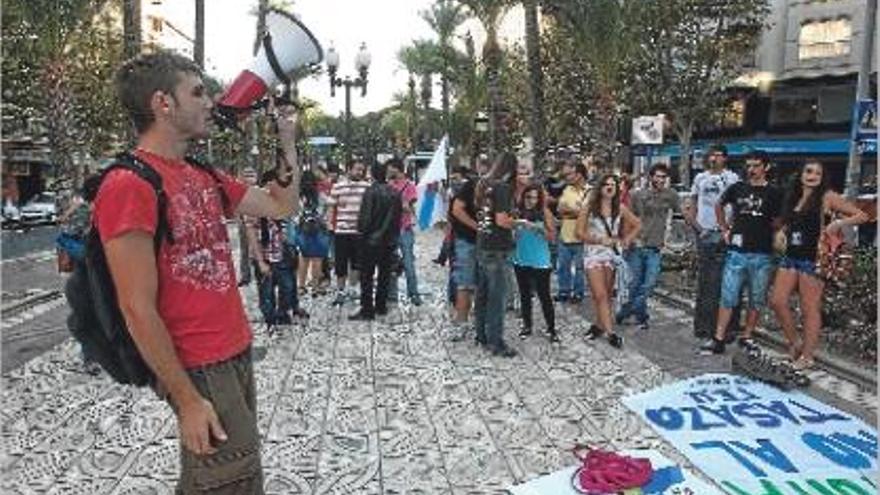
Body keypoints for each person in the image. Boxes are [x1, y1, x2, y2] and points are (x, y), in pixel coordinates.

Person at [95, 50, 301, 493]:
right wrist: (187, 399)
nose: (211, 102)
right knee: (230, 480)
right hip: (198, 364)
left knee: (226, 475)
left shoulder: (201, 173)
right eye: (198, 92)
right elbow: (135, 307)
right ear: (162, 104)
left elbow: (282, 206)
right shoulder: (128, 185)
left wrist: (286, 141)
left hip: (234, 350)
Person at [769, 160, 867, 369]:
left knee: (809, 309)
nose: (812, 175)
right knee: (777, 301)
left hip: (813, 259)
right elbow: (793, 222)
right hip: (791, 256)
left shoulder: (827, 196)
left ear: (823, 177)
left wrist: (839, 223)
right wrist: (781, 231)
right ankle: (795, 342)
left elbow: (863, 215)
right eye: (808, 171)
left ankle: (807, 356)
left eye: (817, 173)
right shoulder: (795, 196)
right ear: (801, 173)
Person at [700, 152, 781, 355]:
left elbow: (780, 219)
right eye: (749, 166)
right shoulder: (737, 188)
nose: (751, 170)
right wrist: (724, 228)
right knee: (728, 296)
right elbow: (719, 204)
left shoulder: (774, 192)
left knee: (756, 298)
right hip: (736, 252)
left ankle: (747, 335)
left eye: (756, 165)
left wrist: (775, 233)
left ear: (766, 167)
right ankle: (718, 338)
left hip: (762, 253)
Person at [578, 174, 641, 349]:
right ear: (600, 188)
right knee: (600, 295)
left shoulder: (619, 208)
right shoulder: (589, 207)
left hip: (611, 254)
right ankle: (611, 333)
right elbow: (579, 233)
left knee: (606, 294)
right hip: (593, 253)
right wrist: (599, 240)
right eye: (605, 184)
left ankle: (598, 326)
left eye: (613, 185)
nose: (609, 187)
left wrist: (626, 239)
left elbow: (637, 224)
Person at [616, 164, 681, 331]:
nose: (660, 180)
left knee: (649, 283)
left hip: (655, 247)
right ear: (651, 177)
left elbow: (681, 212)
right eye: (657, 176)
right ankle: (637, 315)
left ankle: (632, 311)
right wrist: (626, 240)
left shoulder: (670, 195)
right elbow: (627, 218)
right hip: (637, 245)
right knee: (634, 283)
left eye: (663, 177)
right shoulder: (637, 195)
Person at [687, 143, 741, 339]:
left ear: (725, 158)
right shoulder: (700, 178)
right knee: (706, 282)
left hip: (725, 233)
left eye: (719, 155)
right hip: (706, 233)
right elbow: (693, 204)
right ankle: (704, 326)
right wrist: (697, 227)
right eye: (712, 155)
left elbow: (737, 206)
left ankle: (727, 327)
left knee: (726, 282)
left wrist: (730, 229)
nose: (714, 158)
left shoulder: (733, 178)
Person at [248, 166, 307, 328]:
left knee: (287, 287)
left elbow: (294, 224)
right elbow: (251, 232)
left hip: (283, 254)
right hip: (265, 255)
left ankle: (282, 314)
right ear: (267, 184)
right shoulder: (255, 203)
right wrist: (260, 261)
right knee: (266, 291)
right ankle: (270, 318)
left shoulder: (285, 203)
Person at [474, 152, 519, 357]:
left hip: (483, 243)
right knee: (497, 298)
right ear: (511, 169)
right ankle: (496, 342)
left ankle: (481, 335)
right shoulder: (502, 187)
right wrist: (519, 223)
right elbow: (501, 220)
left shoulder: (484, 184)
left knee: (483, 294)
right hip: (497, 247)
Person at [59, 175, 104, 375]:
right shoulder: (83, 212)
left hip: (104, 272)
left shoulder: (104, 209)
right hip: (86, 274)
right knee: (90, 316)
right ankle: (91, 358)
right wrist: (87, 255)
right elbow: (64, 239)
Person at [349, 161, 402, 321]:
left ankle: (367, 309)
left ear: (372, 174)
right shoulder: (395, 193)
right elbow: (397, 219)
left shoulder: (370, 192)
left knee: (367, 276)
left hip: (370, 240)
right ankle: (381, 306)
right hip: (388, 240)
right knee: (384, 274)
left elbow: (365, 218)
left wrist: (361, 233)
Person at [512, 183, 558, 343]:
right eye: (528, 197)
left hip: (540, 260)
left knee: (544, 295)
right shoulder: (517, 212)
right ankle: (527, 325)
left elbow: (552, 237)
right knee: (524, 294)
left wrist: (535, 227)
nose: (531, 201)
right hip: (521, 258)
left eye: (534, 197)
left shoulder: (545, 213)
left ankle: (551, 328)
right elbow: (512, 236)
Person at [328, 160, 369, 306]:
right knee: (340, 262)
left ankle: (352, 288)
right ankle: (340, 290)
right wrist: (330, 225)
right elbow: (331, 207)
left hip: (359, 232)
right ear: (349, 169)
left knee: (357, 262)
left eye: (361, 170)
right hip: (341, 231)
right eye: (357, 169)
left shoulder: (367, 187)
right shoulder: (338, 187)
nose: (360, 172)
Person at [448, 166, 480, 341]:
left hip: (487, 244)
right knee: (464, 283)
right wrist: (477, 227)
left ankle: (479, 322)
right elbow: (456, 210)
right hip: (467, 240)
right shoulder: (471, 186)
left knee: (482, 285)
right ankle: (461, 323)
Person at [386, 158, 423, 306]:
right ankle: (391, 294)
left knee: (408, 262)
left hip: (404, 229)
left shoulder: (410, 185)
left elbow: (409, 208)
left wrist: (399, 202)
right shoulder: (388, 185)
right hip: (390, 229)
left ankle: (413, 293)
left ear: (397, 168)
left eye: (390, 169)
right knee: (391, 263)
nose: (388, 172)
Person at [556, 161, 590, 303]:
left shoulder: (590, 191)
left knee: (579, 268)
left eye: (571, 174)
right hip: (565, 235)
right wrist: (575, 212)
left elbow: (588, 213)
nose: (568, 177)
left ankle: (578, 293)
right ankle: (564, 291)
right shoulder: (567, 190)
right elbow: (559, 209)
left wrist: (569, 212)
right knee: (563, 266)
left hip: (581, 236)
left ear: (579, 175)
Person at [236, 166, 258, 287]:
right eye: (247, 175)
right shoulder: (240, 190)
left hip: (255, 225)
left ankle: (259, 272)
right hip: (244, 224)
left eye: (251, 175)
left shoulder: (258, 191)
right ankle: (246, 275)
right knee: (245, 250)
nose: (249, 178)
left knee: (256, 249)